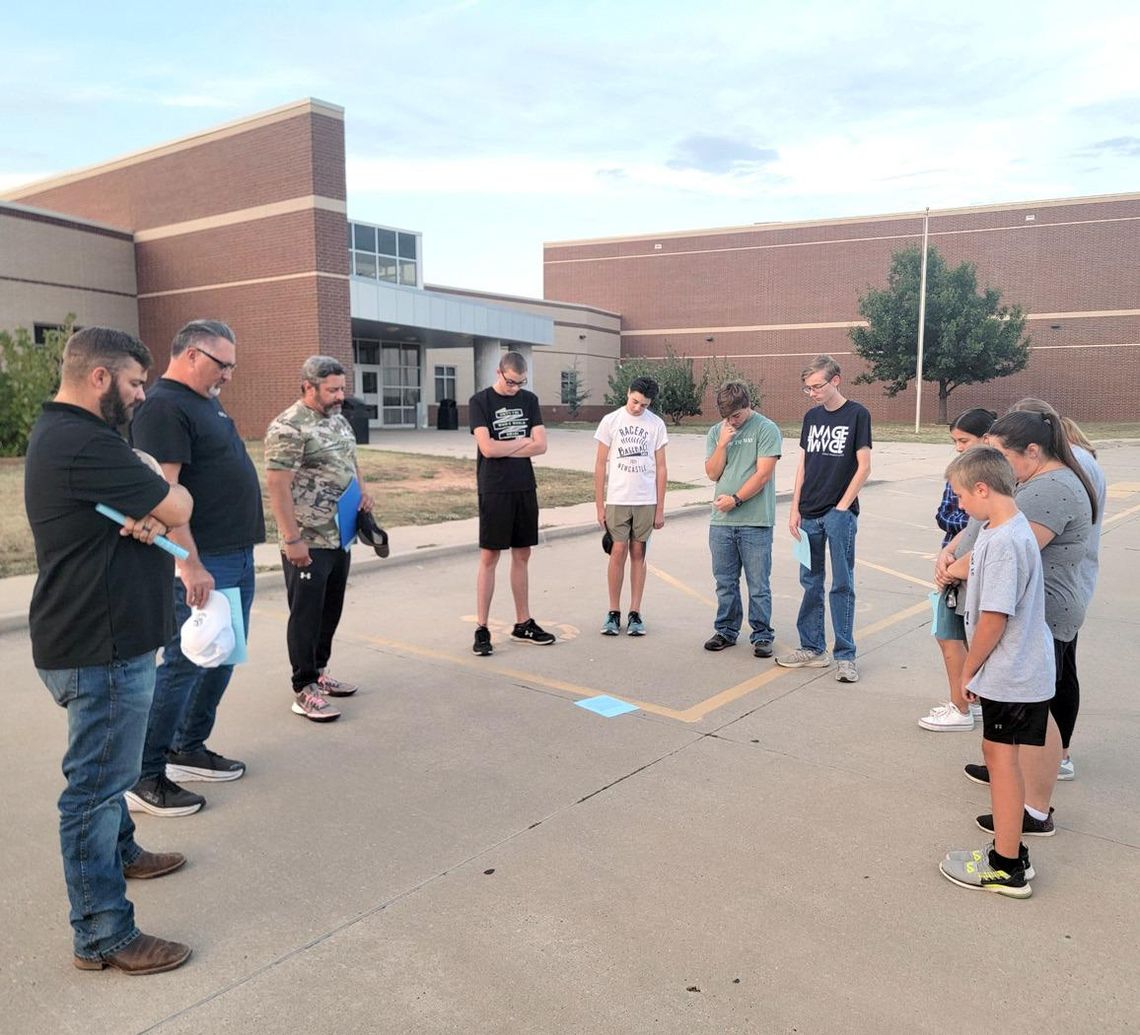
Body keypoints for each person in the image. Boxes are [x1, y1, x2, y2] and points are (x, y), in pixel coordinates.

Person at [26, 327, 195, 974]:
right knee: (95, 790)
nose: (141, 394)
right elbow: (179, 502)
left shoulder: (81, 437)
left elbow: (168, 504)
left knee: (109, 775)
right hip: (100, 647)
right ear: (99, 377)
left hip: (103, 639)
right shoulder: (82, 442)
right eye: (133, 383)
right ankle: (101, 933)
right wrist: (160, 494)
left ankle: (122, 850)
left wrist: (155, 498)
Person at [125, 320, 264, 817]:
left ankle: (189, 746)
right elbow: (164, 496)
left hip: (233, 552)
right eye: (220, 364)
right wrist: (189, 564)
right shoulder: (164, 406)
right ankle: (144, 774)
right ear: (189, 354)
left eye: (231, 365)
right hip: (205, 558)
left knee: (223, 654)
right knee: (187, 661)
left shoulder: (203, 398)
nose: (227, 374)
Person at [949, 408, 1098, 837]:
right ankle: (1025, 804)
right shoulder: (1037, 488)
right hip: (1035, 618)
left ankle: (1031, 811)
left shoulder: (1048, 492)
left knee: (1037, 719)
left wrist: (969, 667)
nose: (995, 462)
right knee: (1019, 733)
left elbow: (999, 601)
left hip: (1038, 620)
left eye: (999, 453)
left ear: (1032, 451)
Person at [938, 446, 1054, 898]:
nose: (960, 505)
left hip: (1012, 673)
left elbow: (994, 617)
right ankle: (1009, 852)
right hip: (1017, 669)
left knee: (1001, 762)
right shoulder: (999, 528)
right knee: (999, 757)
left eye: (962, 496)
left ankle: (1006, 866)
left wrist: (968, 671)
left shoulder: (1006, 542)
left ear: (983, 488)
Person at [265, 356, 374, 722]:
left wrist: (362, 491)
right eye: (332, 390)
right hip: (307, 538)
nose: (340, 395)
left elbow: (351, 461)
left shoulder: (339, 420)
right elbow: (277, 486)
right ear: (308, 387)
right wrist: (292, 538)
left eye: (342, 388)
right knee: (306, 614)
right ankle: (304, 687)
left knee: (331, 608)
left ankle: (321, 671)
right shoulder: (288, 427)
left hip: (338, 533)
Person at [1009, 399, 1107, 780]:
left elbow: (1024, 541)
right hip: (1070, 581)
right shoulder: (1071, 467)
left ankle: (1057, 757)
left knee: (1054, 679)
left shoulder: (1065, 474)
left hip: (1061, 586)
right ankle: (1045, 757)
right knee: (1059, 673)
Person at [776, 355, 872, 682]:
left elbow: (864, 467)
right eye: (808, 388)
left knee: (842, 585)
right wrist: (794, 508)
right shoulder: (811, 417)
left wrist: (842, 507)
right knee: (811, 583)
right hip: (808, 514)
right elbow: (803, 464)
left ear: (836, 381)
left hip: (838, 515)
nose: (813, 392)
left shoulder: (857, 415)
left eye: (817, 386)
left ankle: (846, 655)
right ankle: (813, 647)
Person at [469, 352, 556, 656]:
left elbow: (542, 445)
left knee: (522, 554)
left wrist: (509, 445)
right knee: (490, 557)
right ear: (498, 372)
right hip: (494, 488)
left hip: (524, 486)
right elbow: (488, 449)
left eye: (520, 383)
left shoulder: (529, 400)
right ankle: (482, 628)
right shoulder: (480, 402)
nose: (515, 388)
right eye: (510, 382)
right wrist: (523, 442)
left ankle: (524, 622)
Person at [919, 407, 997, 732]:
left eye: (964, 440)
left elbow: (976, 522)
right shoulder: (961, 471)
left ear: (987, 438)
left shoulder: (991, 479)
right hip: (952, 557)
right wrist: (948, 551)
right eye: (955, 441)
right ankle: (969, 699)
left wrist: (956, 551)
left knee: (952, 634)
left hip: (966, 567)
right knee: (950, 632)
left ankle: (961, 706)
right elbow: (944, 515)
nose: (959, 447)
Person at [702, 381, 782, 656]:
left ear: (748, 406)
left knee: (758, 584)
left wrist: (735, 500)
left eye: (736, 415)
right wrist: (722, 444)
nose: (732, 421)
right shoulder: (717, 432)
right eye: (727, 417)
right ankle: (726, 630)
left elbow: (763, 475)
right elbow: (712, 473)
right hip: (721, 522)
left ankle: (761, 634)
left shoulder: (766, 429)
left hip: (755, 520)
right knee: (725, 581)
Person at [593, 376, 668, 636]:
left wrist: (660, 507)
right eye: (635, 401)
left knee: (639, 553)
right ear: (628, 393)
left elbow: (661, 467)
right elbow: (600, 464)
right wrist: (599, 505)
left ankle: (635, 612)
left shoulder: (655, 425)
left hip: (645, 499)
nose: (638, 408)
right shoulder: (611, 421)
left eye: (644, 405)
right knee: (617, 550)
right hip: (617, 498)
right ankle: (613, 612)